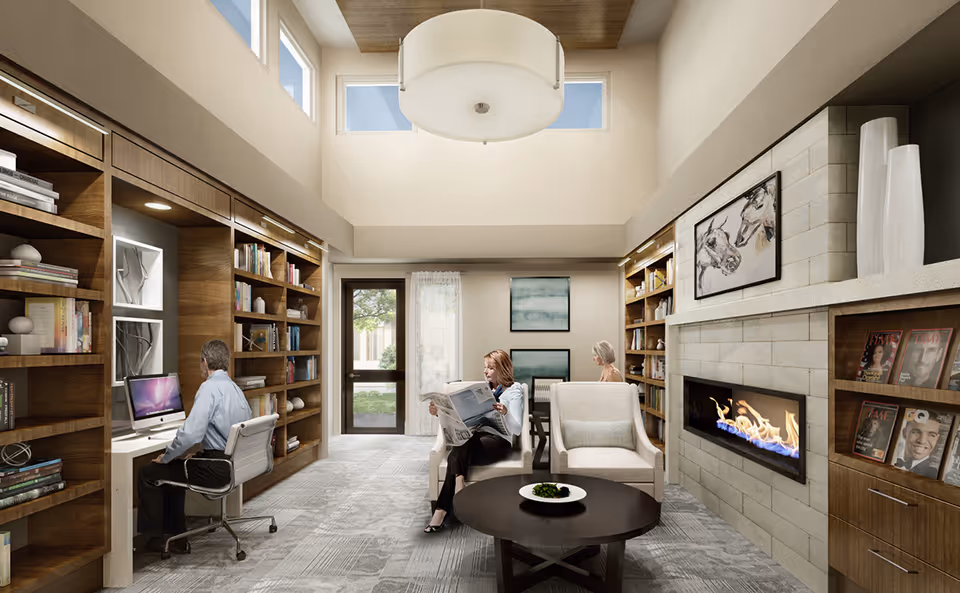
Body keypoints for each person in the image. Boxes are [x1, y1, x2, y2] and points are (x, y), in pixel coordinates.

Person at [137, 339, 253, 553]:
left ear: (205, 361)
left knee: (150, 472)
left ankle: (153, 538)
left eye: (201, 362)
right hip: (233, 464)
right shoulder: (235, 389)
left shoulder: (209, 388)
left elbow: (191, 434)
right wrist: (193, 455)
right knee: (178, 466)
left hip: (217, 469)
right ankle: (175, 534)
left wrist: (166, 456)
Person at [424, 349, 524, 533]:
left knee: (458, 451)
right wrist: (439, 412)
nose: (486, 371)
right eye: (485, 367)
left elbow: (517, 429)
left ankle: (441, 511)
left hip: (498, 443)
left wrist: (506, 413)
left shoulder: (514, 390)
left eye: (491, 368)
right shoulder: (482, 390)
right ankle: (458, 484)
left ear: (502, 369)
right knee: (461, 444)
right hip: (474, 440)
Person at [893, 410, 946, 479]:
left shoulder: (933, 475)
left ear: (937, 439)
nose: (922, 441)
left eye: (932, 435)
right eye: (916, 432)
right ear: (905, 432)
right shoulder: (892, 458)